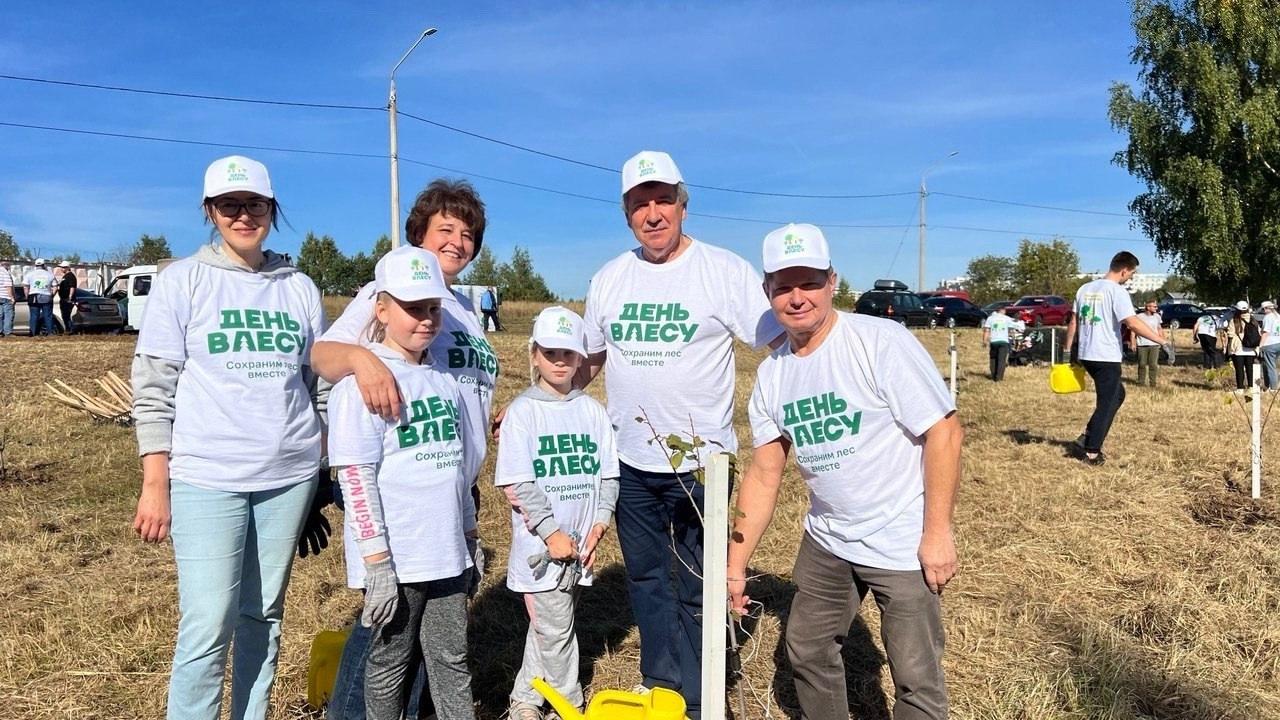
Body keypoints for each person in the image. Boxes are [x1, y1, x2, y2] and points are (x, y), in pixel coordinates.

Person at [728, 223, 963, 720]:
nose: (797, 298)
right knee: (808, 650)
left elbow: (944, 432)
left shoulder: (879, 342)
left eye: (809, 282)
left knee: (916, 677)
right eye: (783, 285)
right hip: (828, 539)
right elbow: (765, 472)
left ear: (832, 281)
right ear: (767, 291)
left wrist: (937, 533)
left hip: (900, 538)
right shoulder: (773, 374)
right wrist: (735, 562)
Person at [578, 150, 781, 718]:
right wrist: (538, 403)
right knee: (646, 577)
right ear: (626, 214)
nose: (653, 213)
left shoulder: (723, 271)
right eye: (640, 203)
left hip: (701, 465)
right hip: (630, 463)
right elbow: (589, 360)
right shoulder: (610, 278)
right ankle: (661, 681)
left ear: (683, 205)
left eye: (662, 199)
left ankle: (701, 694)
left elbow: (778, 339)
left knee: (698, 582)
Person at [131, 155, 326, 720]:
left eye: (255, 204)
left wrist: (321, 469)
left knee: (263, 615)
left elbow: (318, 387)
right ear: (210, 212)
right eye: (229, 205)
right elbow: (154, 385)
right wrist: (155, 479)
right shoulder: (183, 281)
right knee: (208, 623)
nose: (244, 216)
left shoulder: (300, 288)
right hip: (206, 476)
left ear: (272, 209)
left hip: (287, 478)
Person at [312, 179, 495, 720]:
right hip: (398, 489)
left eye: (468, 234)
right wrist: (363, 362)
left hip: (451, 486)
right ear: (419, 233)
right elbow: (325, 354)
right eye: (445, 230)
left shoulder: (457, 306)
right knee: (388, 641)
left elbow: (464, 384)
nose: (458, 242)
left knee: (437, 645)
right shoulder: (386, 291)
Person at [498, 306, 619, 720]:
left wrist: (600, 521)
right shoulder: (523, 413)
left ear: (581, 358)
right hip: (543, 548)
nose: (559, 362)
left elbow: (608, 475)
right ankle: (571, 705)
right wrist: (551, 534)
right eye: (550, 353)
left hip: (581, 544)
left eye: (568, 354)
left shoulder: (592, 412)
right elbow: (519, 483)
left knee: (548, 628)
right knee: (557, 631)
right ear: (534, 354)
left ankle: (524, 700)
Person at [1061, 251, 1167, 465]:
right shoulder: (1116, 292)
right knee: (1107, 402)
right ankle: (1092, 451)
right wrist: (1161, 341)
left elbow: (1073, 322)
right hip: (1105, 355)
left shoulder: (1085, 289)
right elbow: (1132, 323)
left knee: (1117, 395)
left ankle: (1086, 438)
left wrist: (1067, 350)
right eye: (1132, 273)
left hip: (1086, 354)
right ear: (1124, 269)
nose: (1131, 277)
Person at [1223, 301, 1259, 393]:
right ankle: (1251, 387)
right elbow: (1259, 332)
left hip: (1238, 349)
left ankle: (1240, 388)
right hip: (1251, 348)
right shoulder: (1253, 320)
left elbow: (1230, 334)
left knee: (1239, 369)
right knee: (1249, 369)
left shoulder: (1234, 320)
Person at [981, 305, 1023, 381]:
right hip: (1003, 342)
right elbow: (1014, 327)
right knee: (1001, 360)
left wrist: (984, 341)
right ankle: (999, 378)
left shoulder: (990, 318)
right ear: (1003, 310)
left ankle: (993, 375)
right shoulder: (1007, 318)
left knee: (993, 358)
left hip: (994, 341)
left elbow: (986, 330)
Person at [1131, 298, 1165, 387]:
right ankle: (1141, 382)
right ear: (1148, 307)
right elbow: (1133, 331)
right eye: (1154, 306)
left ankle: (1153, 383)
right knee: (1142, 364)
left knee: (1153, 364)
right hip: (1142, 344)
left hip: (1154, 344)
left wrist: (1163, 341)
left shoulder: (1157, 316)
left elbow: (1159, 328)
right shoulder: (1139, 317)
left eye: (1156, 306)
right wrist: (1133, 342)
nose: (1156, 308)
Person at [24, 258, 54, 336]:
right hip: (46, 296)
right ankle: (50, 333)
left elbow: (25, 287)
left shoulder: (29, 274)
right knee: (47, 316)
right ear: (44, 265)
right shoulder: (49, 274)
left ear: (35, 265)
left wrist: (27, 296)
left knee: (34, 316)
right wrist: (52, 295)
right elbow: (55, 286)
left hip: (33, 296)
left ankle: (33, 333)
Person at [1259, 301, 1280, 391]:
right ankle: (1271, 385)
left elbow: (1266, 332)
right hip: (1278, 342)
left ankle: (1273, 387)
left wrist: (1260, 345)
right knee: (1274, 365)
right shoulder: (1278, 316)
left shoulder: (1267, 318)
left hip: (1269, 343)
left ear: (1265, 308)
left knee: (1271, 367)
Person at [57, 260, 78, 335]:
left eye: (63, 267)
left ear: (67, 268)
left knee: (67, 315)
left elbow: (72, 287)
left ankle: (70, 330)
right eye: (61, 267)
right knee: (64, 315)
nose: (61, 269)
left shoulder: (71, 276)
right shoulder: (65, 276)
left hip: (67, 299)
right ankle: (68, 329)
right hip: (63, 298)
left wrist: (70, 297)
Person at [0, 260, 14, 337]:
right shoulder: (5, 273)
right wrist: (11, 297)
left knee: (0, 315)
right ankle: (8, 333)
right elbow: (8, 285)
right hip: (5, 296)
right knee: (8, 315)